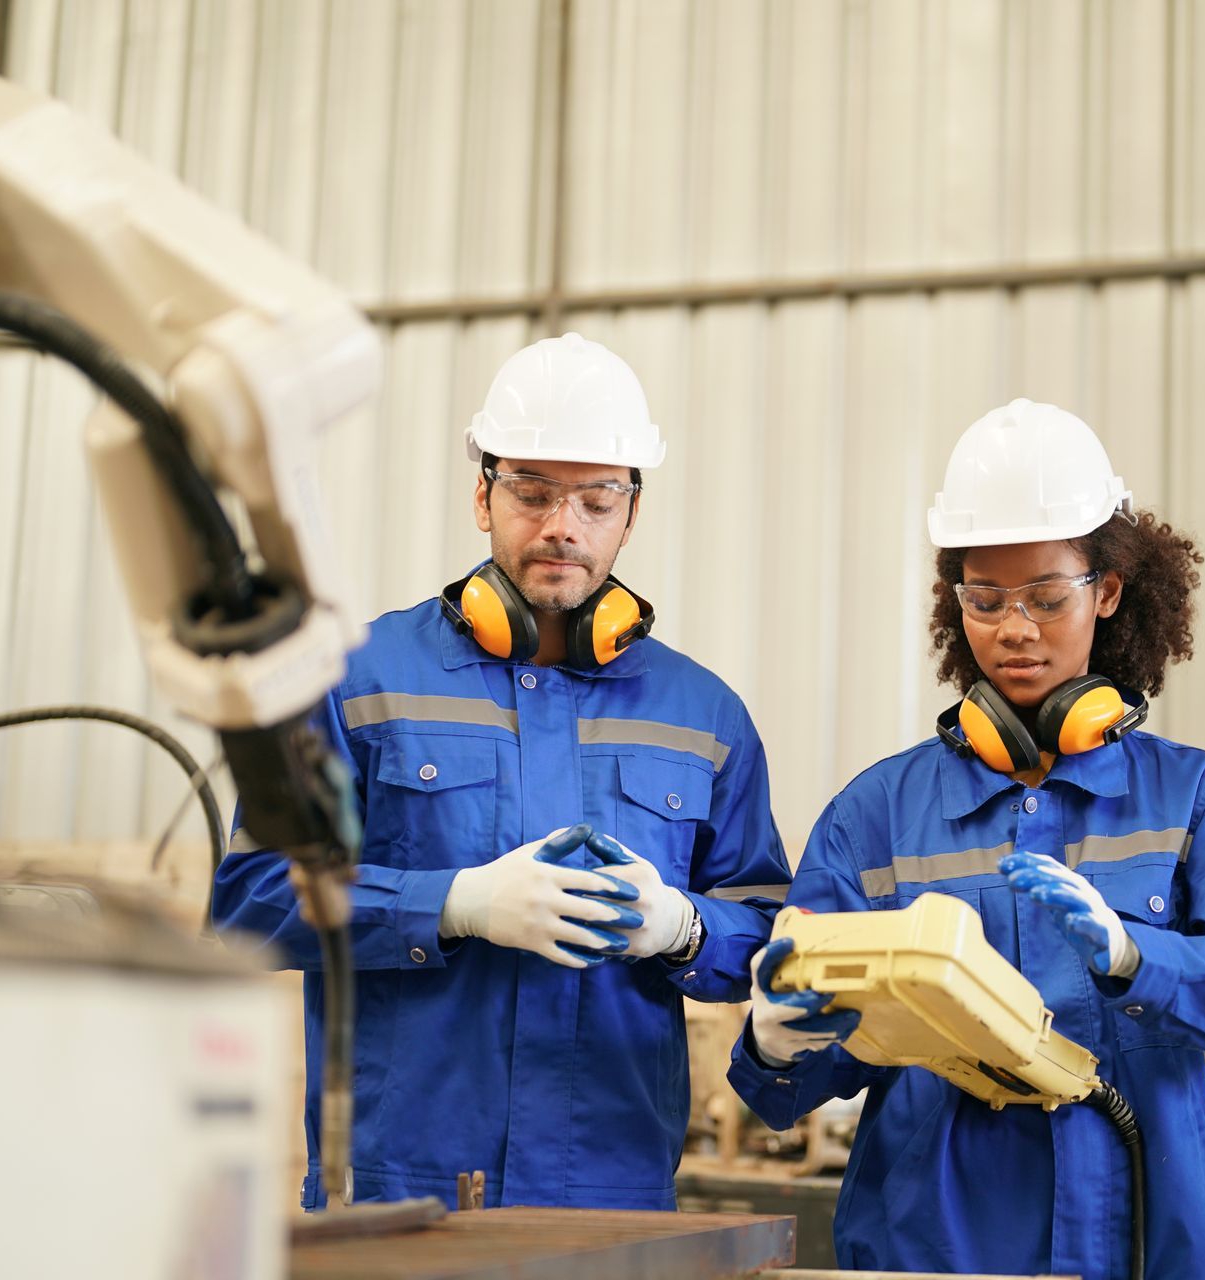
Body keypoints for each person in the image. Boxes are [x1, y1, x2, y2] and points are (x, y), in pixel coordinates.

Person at [728, 398, 1205, 1278]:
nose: (1013, 628)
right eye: (984, 600)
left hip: (1139, 1246)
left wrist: (1144, 960)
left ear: (1108, 592)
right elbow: (780, 1089)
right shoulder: (876, 815)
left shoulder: (1191, 798)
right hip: (930, 1252)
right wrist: (775, 1041)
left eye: (1045, 598)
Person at [214, 333, 792, 1211]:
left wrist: (682, 928)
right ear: (481, 494)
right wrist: (451, 905)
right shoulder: (357, 679)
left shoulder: (703, 716)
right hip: (393, 1201)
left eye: (598, 500)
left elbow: (769, 939)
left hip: (610, 1200)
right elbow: (252, 900)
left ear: (632, 513)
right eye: (532, 492)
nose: (564, 525)